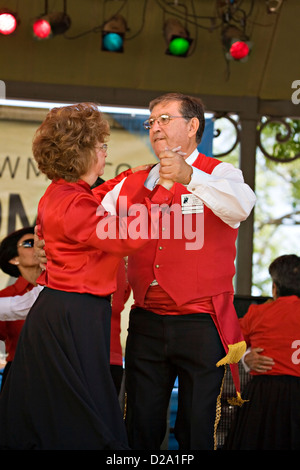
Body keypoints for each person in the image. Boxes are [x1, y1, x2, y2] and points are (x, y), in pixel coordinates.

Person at [23, 93, 256, 450]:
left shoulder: (220, 172)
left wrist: (189, 175)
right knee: (139, 426)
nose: (155, 127)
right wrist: (43, 243)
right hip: (146, 320)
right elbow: (75, 215)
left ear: (193, 126)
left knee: (197, 428)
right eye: (151, 121)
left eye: (165, 118)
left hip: (201, 321)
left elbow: (241, 206)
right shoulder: (132, 181)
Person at [0, 102, 175, 450]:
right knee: (82, 417)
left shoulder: (64, 194)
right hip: (73, 313)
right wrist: (165, 189)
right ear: (81, 153)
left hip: (72, 311)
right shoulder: (71, 203)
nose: (105, 153)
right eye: (101, 147)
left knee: (69, 413)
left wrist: (131, 178)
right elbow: (128, 237)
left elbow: (95, 197)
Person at [224, 254, 300, 450]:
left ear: (275, 287)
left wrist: (246, 357)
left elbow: (229, 340)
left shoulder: (259, 313)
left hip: (264, 396)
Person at [0, 227, 41, 390]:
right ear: (14, 258)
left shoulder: (59, 287)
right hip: (19, 371)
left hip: (57, 370)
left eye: (39, 241)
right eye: (29, 243)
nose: (38, 246)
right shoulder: (6, 296)